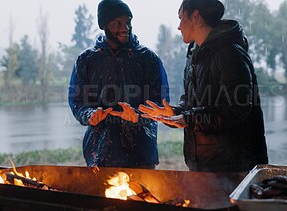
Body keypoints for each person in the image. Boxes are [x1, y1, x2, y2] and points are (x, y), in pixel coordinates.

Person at [139, 0, 268, 172]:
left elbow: (236, 109)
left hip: (233, 167)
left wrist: (189, 119)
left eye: (181, 18)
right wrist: (176, 112)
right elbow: (193, 102)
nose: (178, 27)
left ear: (195, 16)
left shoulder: (230, 54)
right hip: (204, 165)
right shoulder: (194, 54)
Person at [68, 0, 169, 169]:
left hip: (142, 152)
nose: (125, 28)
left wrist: (137, 116)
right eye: (117, 23)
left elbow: (161, 103)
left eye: (128, 22)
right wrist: (90, 115)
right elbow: (77, 102)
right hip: (100, 154)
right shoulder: (86, 60)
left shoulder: (148, 58)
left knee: (143, 195)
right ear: (103, 25)